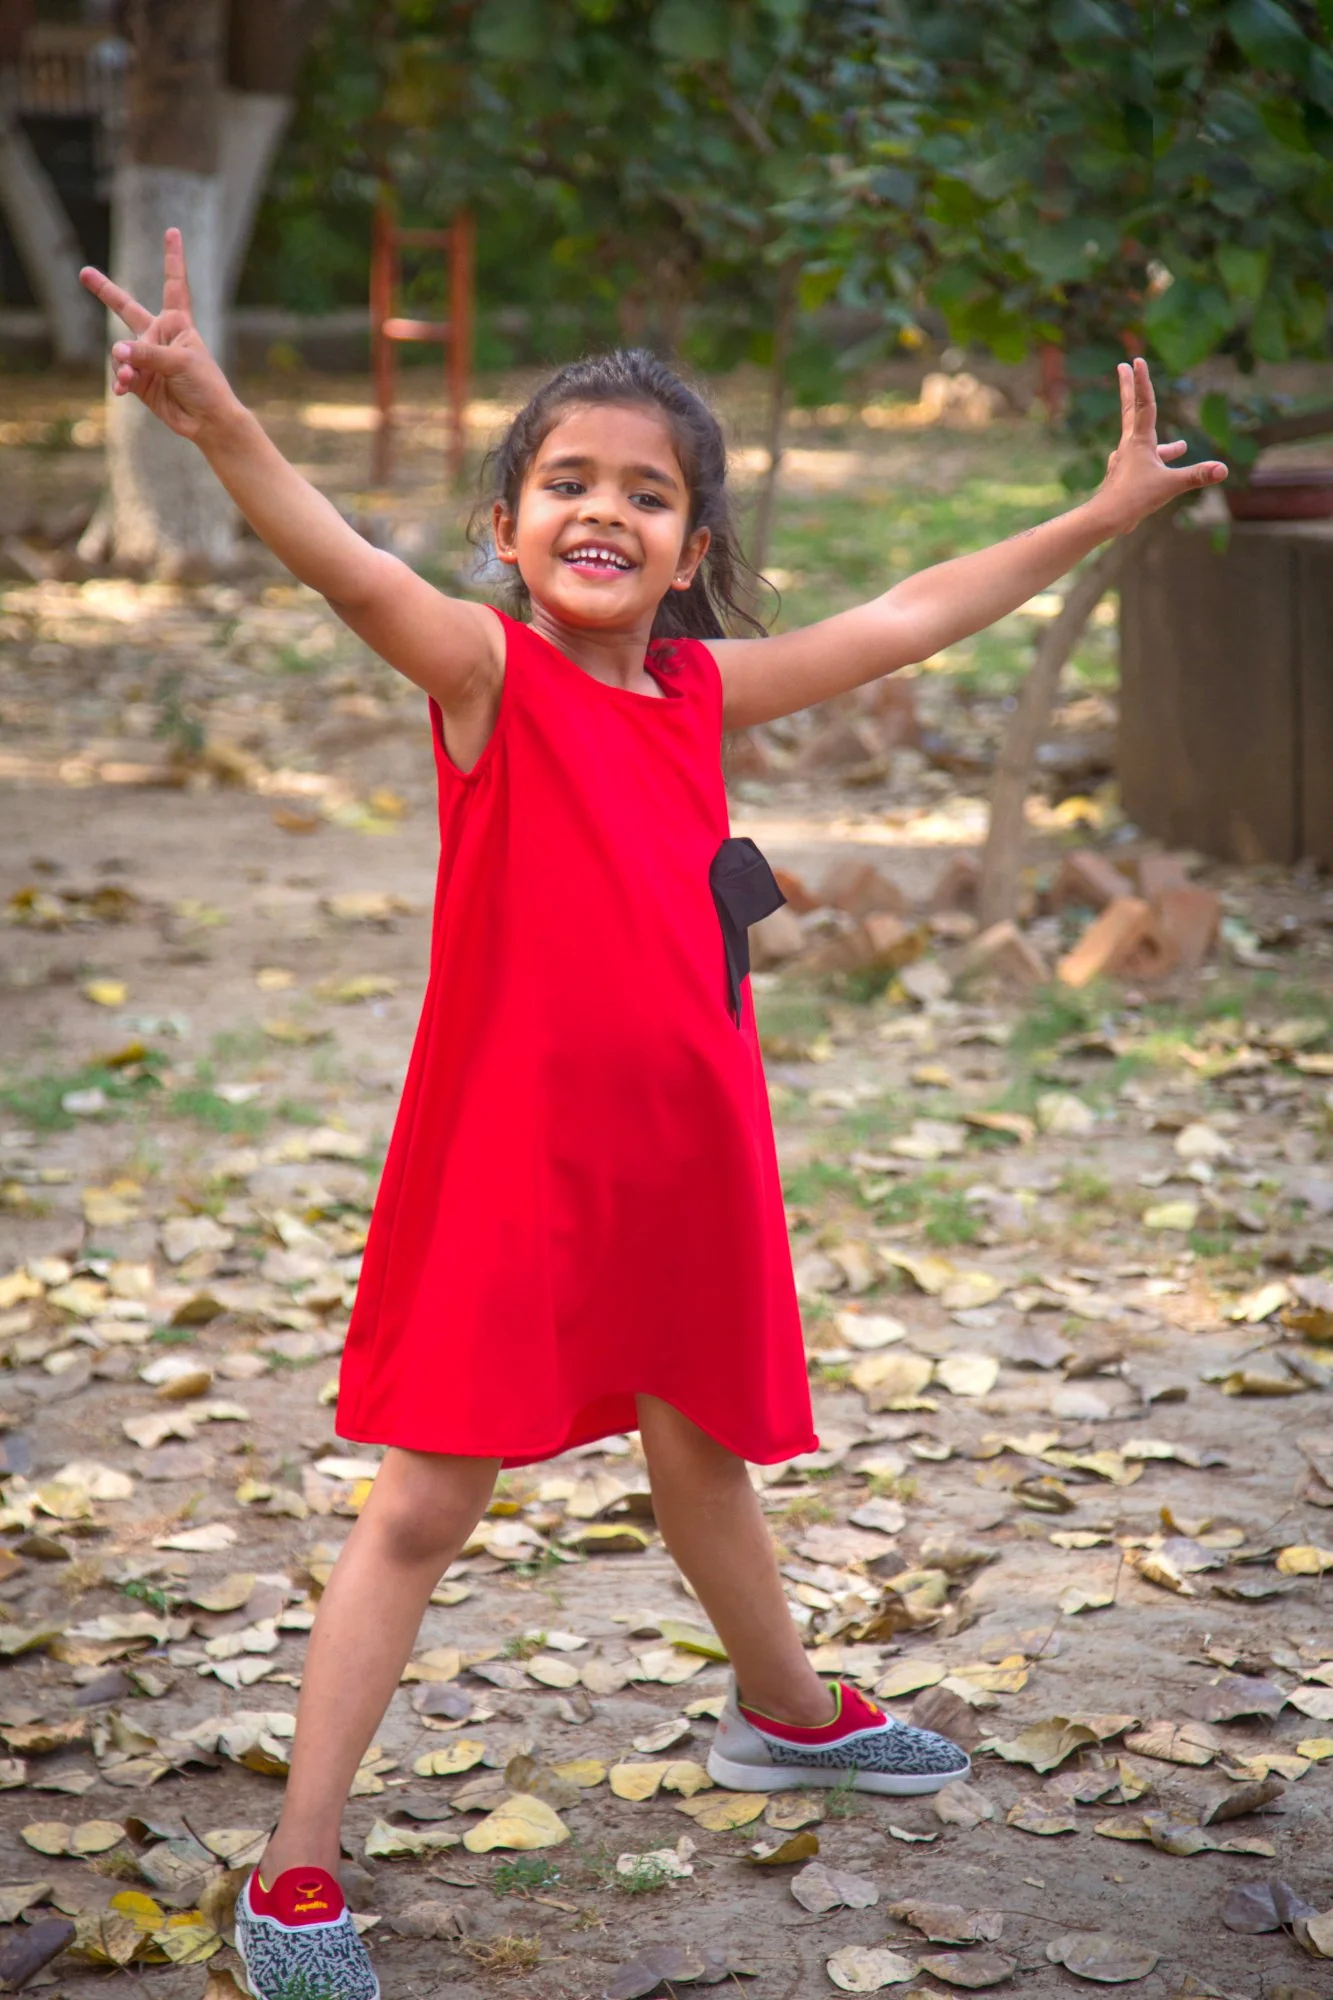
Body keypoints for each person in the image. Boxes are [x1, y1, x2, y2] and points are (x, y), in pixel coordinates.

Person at [80, 231, 1225, 2000]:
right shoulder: (485, 676)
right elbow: (341, 565)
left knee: (703, 1452)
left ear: (694, 550)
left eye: (646, 492)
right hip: (513, 1175)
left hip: (688, 1161)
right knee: (422, 1507)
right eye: (566, 482)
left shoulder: (698, 691)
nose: (602, 511)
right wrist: (221, 418)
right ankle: (294, 1867)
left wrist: (1094, 515)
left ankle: (788, 1713)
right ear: (508, 522)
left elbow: (905, 618)